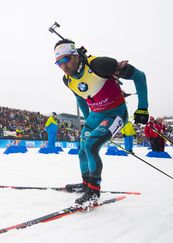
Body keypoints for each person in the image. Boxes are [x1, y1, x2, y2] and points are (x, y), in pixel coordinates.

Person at [54, 39, 149, 206]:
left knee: (91, 146)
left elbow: (139, 76)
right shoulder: (67, 80)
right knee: (82, 150)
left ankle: (93, 191)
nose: (63, 65)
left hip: (115, 114)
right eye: (58, 63)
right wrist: (89, 119)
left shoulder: (100, 65)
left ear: (75, 55)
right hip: (95, 116)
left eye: (66, 59)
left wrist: (143, 108)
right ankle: (86, 183)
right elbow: (79, 96)